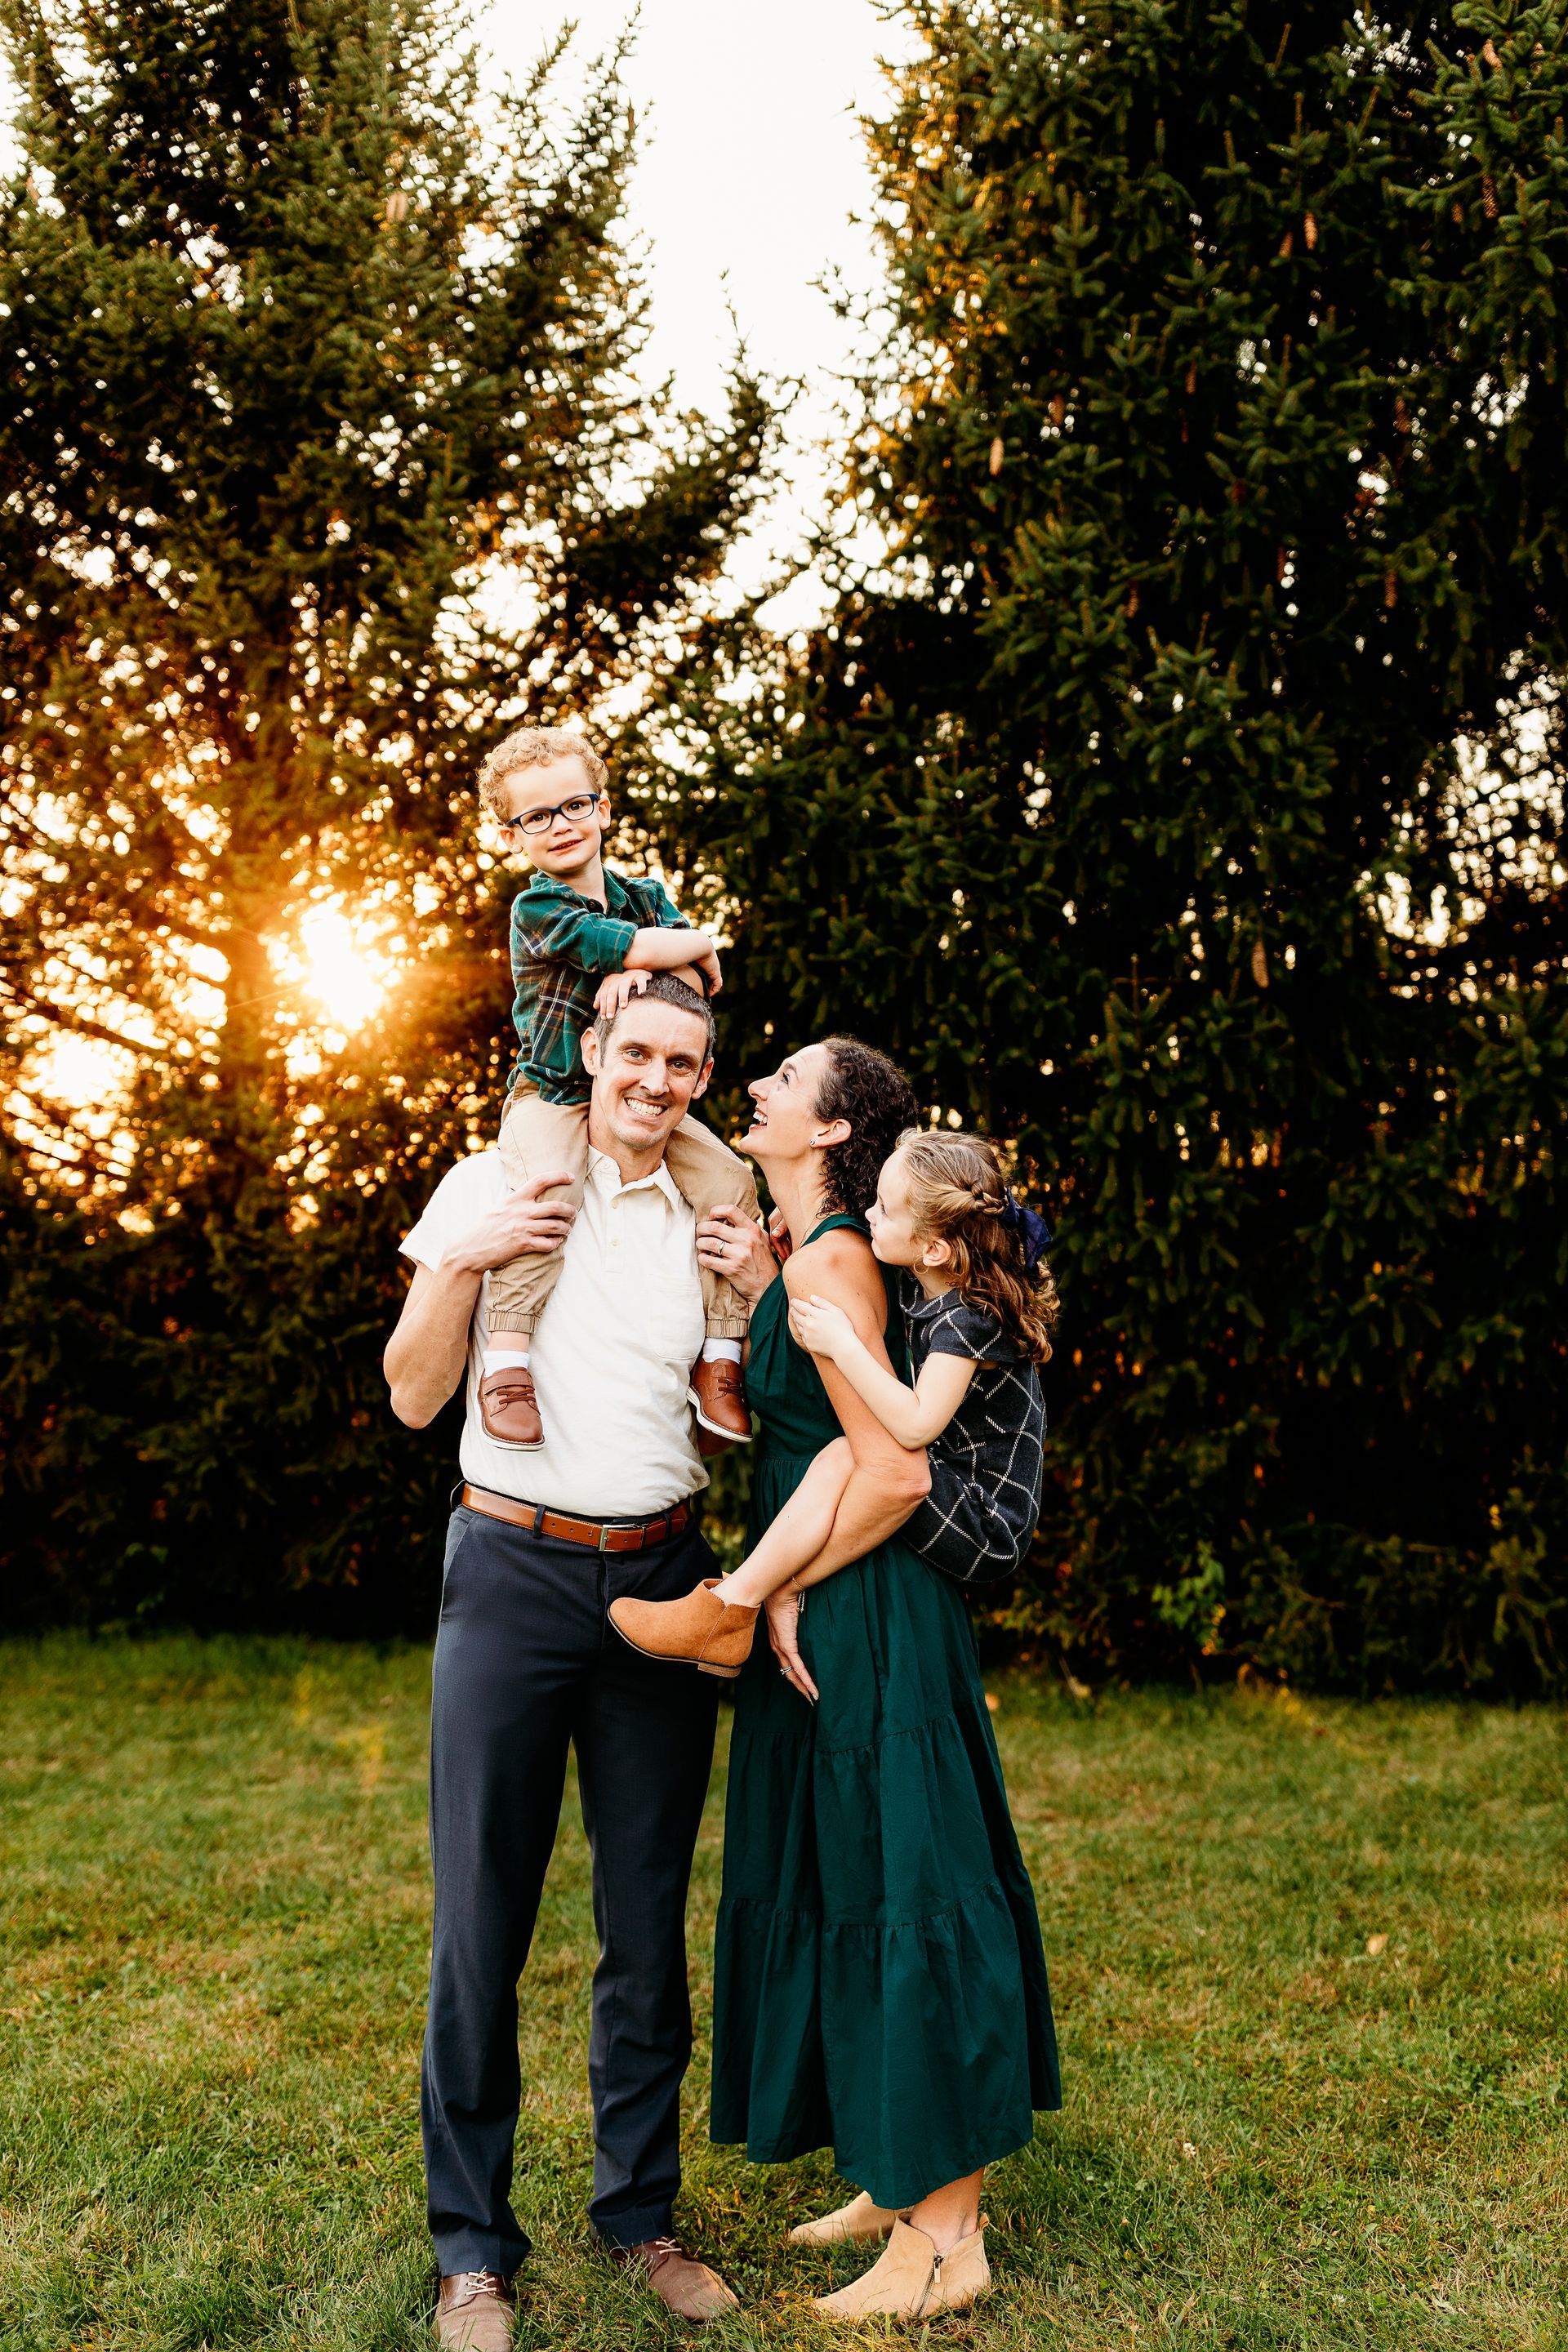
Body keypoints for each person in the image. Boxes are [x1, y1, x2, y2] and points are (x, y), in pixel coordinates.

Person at [622, 1037, 1061, 2323]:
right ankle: (894, 2169)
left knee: (908, 1885)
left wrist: (783, 1588)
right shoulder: (811, 1255)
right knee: (846, 1882)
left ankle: (949, 2234)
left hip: (870, 1611)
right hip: (825, 1585)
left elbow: (895, 1468)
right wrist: (760, 1282)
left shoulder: (838, 1265)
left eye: (786, 1079)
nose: (755, 1084)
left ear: (830, 1132)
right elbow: (815, 1432)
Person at [384, 975, 745, 2349]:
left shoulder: (714, 1217)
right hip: (511, 1572)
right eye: (635, 1052)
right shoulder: (497, 1179)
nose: (656, 1079)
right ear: (589, 1054)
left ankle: (640, 2213)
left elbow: (753, 1421)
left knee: (646, 1931)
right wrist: (463, 1256)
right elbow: (415, 1391)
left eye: (685, 1062)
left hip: (661, 1576)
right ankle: (472, 2251)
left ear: (704, 1081)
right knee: (482, 1923)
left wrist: (761, 1290)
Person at [610, 1125, 1058, 1675]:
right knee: (850, 1451)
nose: (870, 1216)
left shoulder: (968, 1320)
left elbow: (916, 1428)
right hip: (954, 1483)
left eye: (886, 1212)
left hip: (985, 1524)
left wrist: (843, 1346)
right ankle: (736, 1603)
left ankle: (732, 1604)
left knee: (851, 1452)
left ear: (934, 1247)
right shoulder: (931, 1283)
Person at [471, 723, 757, 1450]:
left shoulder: (644, 894)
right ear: (513, 836)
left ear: (603, 809)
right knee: (550, 1192)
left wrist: (656, 963)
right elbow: (678, 954)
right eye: (535, 816)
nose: (559, 825)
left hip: (633, 1095)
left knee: (729, 1177)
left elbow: (699, 988)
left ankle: (720, 1360)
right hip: (553, 1095)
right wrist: (661, 952)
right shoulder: (537, 911)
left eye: (574, 805)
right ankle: (507, 1364)